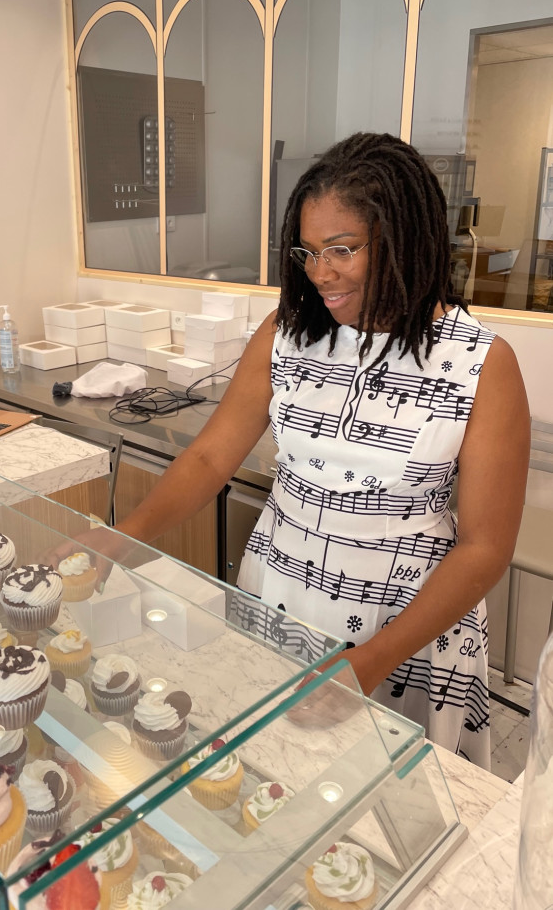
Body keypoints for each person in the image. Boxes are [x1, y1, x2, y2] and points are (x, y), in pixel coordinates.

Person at [91, 133, 530, 767]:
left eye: (342, 249)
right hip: (280, 598)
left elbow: (486, 547)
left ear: (405, 237)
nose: (320, 272)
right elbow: (211, 459)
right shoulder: (287, 334)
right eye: (309, 251)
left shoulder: (480, 363)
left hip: (403, 635)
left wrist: (369, 663)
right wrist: (122, 536)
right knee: (268, 787)